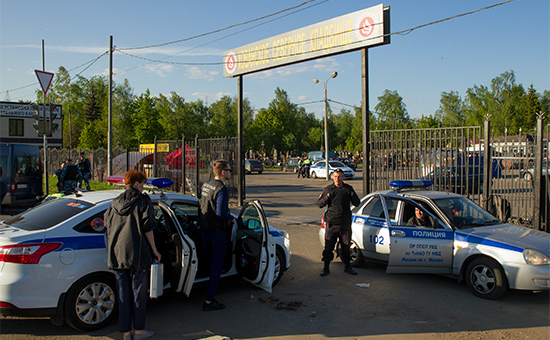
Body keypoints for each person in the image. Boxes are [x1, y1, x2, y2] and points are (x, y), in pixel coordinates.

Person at [104, 170, 161, 340]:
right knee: (139, 294)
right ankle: (140, 331)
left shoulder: (114, 202)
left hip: (117, 254)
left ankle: (126, 332)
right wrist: (155, 250)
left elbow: (107, 224)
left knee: (123, 294)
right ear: (136, 184)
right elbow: (148, 227)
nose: (143, 187)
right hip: (137, 253)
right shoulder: (143, 201)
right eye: (142, 184)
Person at [199, 160, 235, 311]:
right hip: (218, 232)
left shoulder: (206, 185)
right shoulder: (222, 189)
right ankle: (209, 301)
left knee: (205, 260)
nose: (231, 172)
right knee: (216, 266)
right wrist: (231, 219)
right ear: (222, 172)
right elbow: (220, 213)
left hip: (205, 228)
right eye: (229, 170)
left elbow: (201, 204)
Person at [317, 168, 360, 276]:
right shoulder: (328, 189)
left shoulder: (348, 189)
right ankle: (326, 267)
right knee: (328, 247)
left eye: (340, 176)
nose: (337, 178)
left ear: (343, 177)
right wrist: (327, 197)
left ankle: (347, 266)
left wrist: (352, 195)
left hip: (344, 224)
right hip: (332, 223)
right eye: (335, 176)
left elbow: (357, 203)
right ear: (333, 177)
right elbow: (319, 204)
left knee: (346, 247)